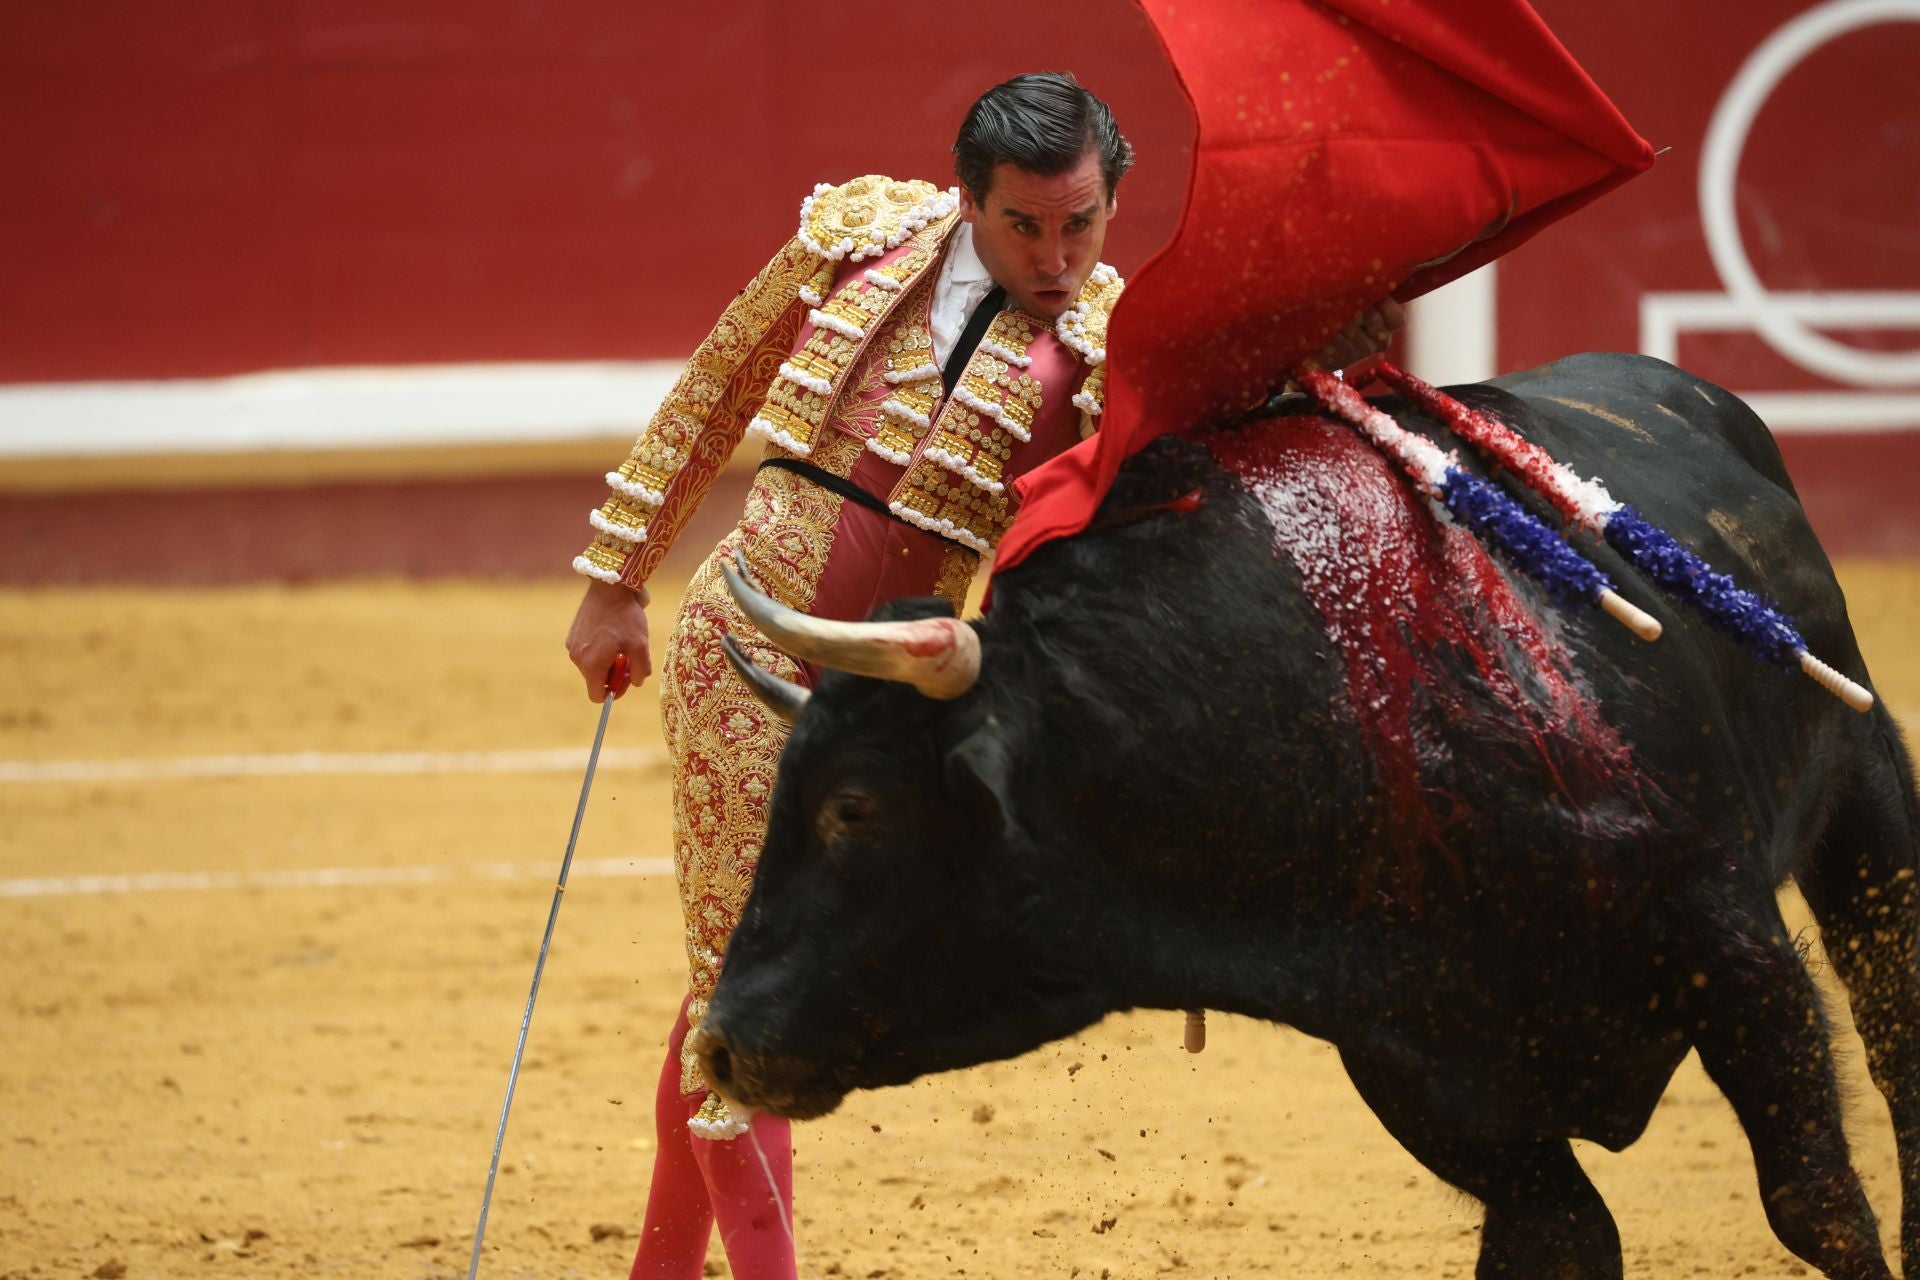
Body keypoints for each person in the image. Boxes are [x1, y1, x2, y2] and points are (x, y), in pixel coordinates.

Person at [563, 72, 1400, 1280]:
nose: (1057, 256)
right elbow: (717, 387)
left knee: (745, 984)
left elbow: (1186, 494)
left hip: (894, 704)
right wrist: (614, 575)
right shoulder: (858, 238)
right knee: (732, 982)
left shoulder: (1117, 339)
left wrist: (1304, 347)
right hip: (741, 650)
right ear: (969, 201)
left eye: (1084, 223)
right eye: (1025, 225)